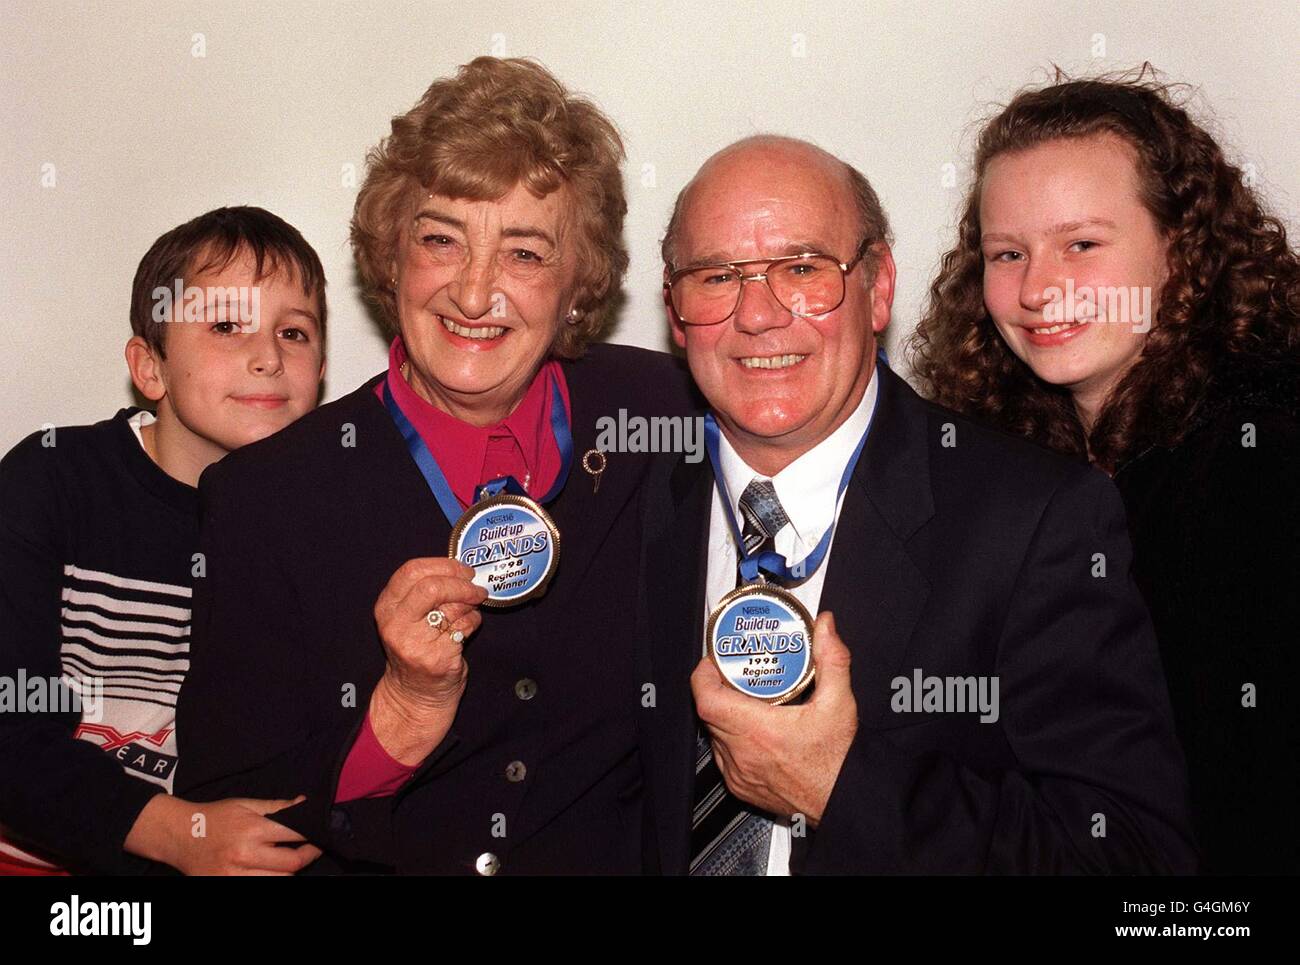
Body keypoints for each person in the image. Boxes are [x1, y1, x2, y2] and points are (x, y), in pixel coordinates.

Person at [174, 57, 699, 874]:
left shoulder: (664, 413)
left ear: (578, 284)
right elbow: (232, 814)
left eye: (525, 253)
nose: (475, 290)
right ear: (391, 255)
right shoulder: (264, 499)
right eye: (441, 239)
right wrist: (400, 712)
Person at [636, 134, 1196, 874]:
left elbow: (1136, 864)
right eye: (716, 276)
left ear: (880, 287)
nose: (759, 315)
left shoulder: (1035, 521)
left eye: (803, 268)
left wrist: (843, 786)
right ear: (674, 308)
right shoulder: (631, 500)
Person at [908, 69, 1299, 874]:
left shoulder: (1265, 464)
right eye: (1008, 252)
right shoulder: (1000, 467)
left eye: (1081, 244)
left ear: (1179, 248)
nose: (1039, 288)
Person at [0, 206, 327, 874]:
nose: (268, 356)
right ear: (151, 367)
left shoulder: (326, 526)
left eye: (293, 332)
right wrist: (180, 834)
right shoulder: (54, 480)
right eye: (228, 325)